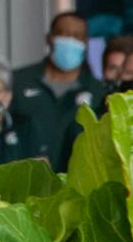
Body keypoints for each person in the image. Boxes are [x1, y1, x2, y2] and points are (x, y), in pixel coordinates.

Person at [11, 12, 100, 167]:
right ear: (49, 38)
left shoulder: (98, 90)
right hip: (23, 183)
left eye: (77, 36)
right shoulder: (18, 81)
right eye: (62, 34)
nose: (69, 41)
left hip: (76, 186)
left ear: (86, 42)